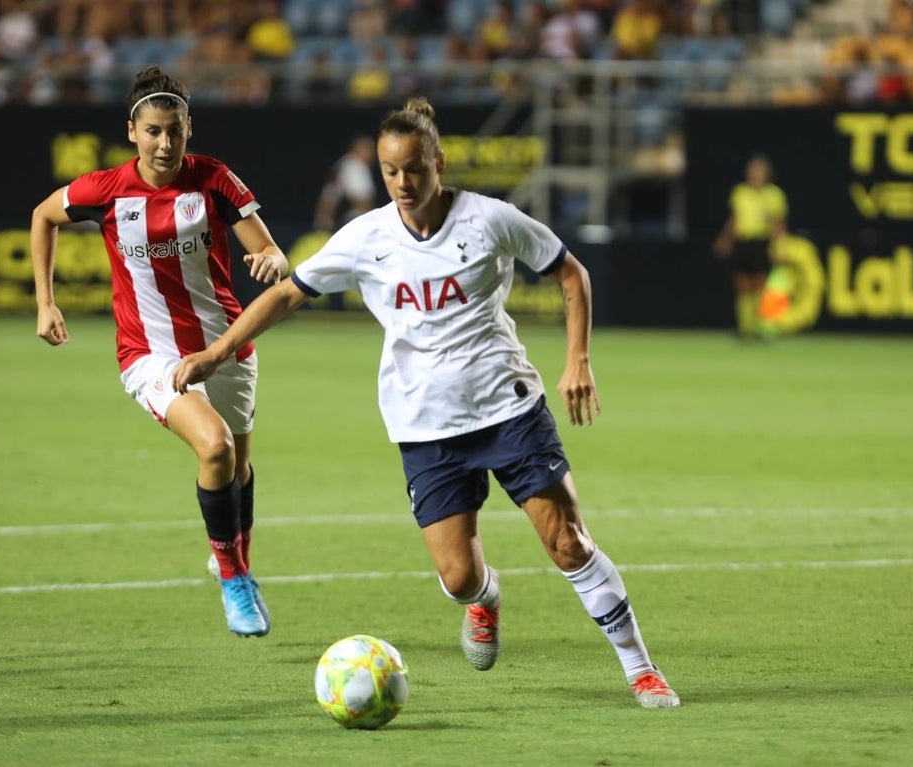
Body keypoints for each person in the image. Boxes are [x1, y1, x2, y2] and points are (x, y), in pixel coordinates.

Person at [174, 97, 681, 709]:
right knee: (459, 577)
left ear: (437, 162)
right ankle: (486, 601)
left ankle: (641, 669)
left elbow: (571, 274)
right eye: (390, 171)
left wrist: (578, 360)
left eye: (413, 168)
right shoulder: (366, 237)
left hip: (509, 408)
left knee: (568, 541)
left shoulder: (490, 220)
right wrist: (220, 351)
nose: (403, 183)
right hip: (423, 424)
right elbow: (287, 294)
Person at [30, 66, 289, 638]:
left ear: (189, 126)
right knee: (216, 448)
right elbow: (43, 216)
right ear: (132, 131)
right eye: (153, 131)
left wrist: (272, 261)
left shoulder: (215, 179)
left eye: (174, 130)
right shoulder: (105, 190)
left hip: (226, 347)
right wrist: (46, 302)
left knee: (238, 468)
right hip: (151, 355)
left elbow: (269, 251)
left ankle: (234, 556)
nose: (165, 143)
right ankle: (234, 579)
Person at [713, 154, 789, 339]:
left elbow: (778, 225)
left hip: (761, 242)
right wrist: (725, 239)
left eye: (759, 170)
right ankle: (745, 328)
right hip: (743, 241)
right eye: (752, 170)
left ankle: (760, 327)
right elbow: (734, 219)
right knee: (742, 285)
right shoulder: (740, 192)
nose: (755, 174)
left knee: (760, 285)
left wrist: (780, 247)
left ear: (766, 174)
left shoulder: (774, 195)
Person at [313, 136, 378, 233]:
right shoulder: (355, 166)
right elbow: (363, 201)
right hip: (354, 225)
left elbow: (328, 198)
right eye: (367, 149)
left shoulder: (343, 164)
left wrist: (323, 220)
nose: (372, 153)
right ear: (355, 149)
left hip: (338, 226)